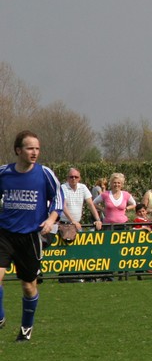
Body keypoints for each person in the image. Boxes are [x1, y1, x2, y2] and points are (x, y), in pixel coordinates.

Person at [0, 131, 63, 342]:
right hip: (4, 233)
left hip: (30, 237)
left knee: (28, 286)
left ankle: (26, 326)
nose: (34, 152)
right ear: (18, 150)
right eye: (30, 148)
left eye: (37, 148)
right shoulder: (4, 173)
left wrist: (51, 220)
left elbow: (58, 199)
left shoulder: (44, 174)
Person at [60, 167, 103, 237]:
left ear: (79, 178)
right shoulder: (62, 188)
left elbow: (90, 204)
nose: (73, 178)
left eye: (76, 177)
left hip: (77, 224)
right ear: (67, 178)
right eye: (71, 177)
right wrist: (73, 221)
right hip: (65, 224)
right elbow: (63, 206)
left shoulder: (83, 187)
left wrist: (98, 220)